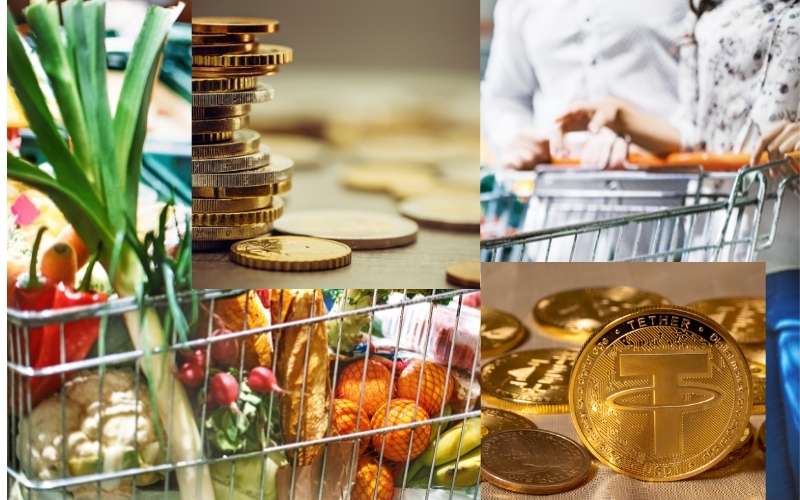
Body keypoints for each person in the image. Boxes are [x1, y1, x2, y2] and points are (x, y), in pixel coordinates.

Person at [481, 0, 690, 170]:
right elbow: (503, 96)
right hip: (557, 195)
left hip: (673, 189)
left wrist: (641, 133)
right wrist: (518, 137)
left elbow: (711, 102)